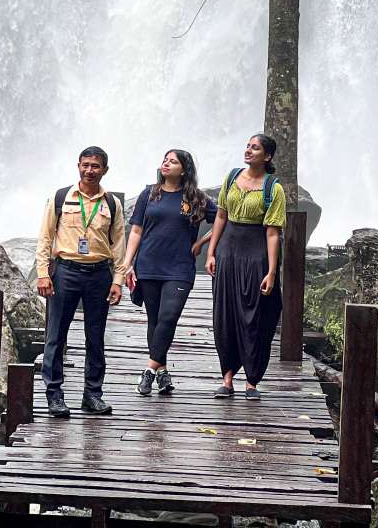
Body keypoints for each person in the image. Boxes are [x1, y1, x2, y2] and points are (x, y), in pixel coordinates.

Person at [35, 146, 125, 418]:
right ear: (78, 166)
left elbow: (119, 243)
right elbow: (45, 237)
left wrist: (118, 280)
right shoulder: (62, 197)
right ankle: (54, 395)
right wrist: (43, 273)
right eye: (85, 165)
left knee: (95, 337)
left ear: (105, 170)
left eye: (95, 166)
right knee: (56, 335)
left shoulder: (112, 204)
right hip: (66, 272)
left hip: (99, 273)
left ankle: (92, 395)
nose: (89, 170)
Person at [120, 149, 216, 396]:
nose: (166, 164)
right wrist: (128, 263)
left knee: (168, 317)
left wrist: (202, 243)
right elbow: (137, 231)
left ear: (184, 169)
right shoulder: (149, 194)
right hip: (149, 265)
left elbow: (222, 220)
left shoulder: (196, 198)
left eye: (173, 161)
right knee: (155, 321)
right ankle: (162, 372)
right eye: (165, 160)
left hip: (180, 267)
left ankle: (149, 371)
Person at [205, 134, 286, 401]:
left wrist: (272, 272)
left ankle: (251, 380)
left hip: (255, 254)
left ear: (268, 156)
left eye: (255, 148)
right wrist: (211, 251)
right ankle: (226, 378)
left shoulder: (273, 188)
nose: (249, 150)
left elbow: (273, 232)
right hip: (228, 251)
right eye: (248, 146)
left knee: (254, 315)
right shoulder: (232, 177)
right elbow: (220, 216)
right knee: (225, 314)